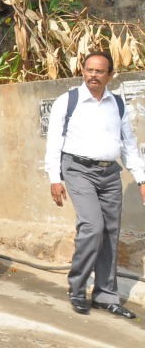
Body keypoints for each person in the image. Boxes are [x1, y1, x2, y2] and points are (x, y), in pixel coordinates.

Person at [45, 51, 145, 319]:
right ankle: (77, 287)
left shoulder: (118, 104)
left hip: (110, 173)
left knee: (111, 232)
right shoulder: (69, 101)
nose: (93, 75)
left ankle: (105, 295)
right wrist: (55, 178)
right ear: (83, 71)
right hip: (78, 170)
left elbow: (129, 144)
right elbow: (53, 141)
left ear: (110, 75)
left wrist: (141, 177)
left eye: (99, 71)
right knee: (93, 226)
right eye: (89, 70)